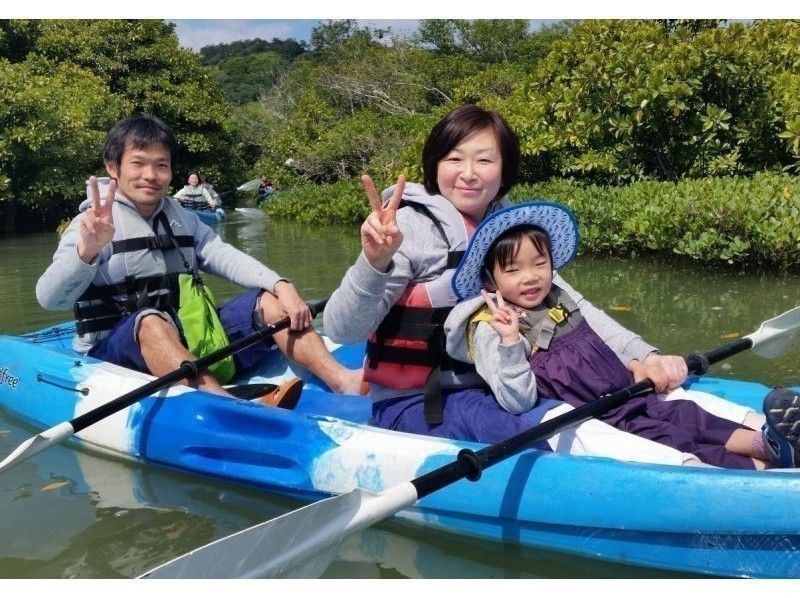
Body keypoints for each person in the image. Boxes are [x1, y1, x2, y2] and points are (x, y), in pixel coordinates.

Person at [323, 104, 726, 464]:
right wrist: (373, 262)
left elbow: (570, 304)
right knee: (568, 424)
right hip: (425, 401)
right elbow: (343, 330)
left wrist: (641, 354)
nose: (468, 173)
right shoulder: (406, 228)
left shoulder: (508, 224)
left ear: (504, 169)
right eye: (454, 158)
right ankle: (699, 477)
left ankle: (753, 448)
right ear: (435, 164)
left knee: (646, 399)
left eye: (484, 160)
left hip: (519, 383)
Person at [36, 114, 364, 409]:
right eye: (138, 163)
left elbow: (224, 256)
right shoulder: (90, 224)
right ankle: (226, 406)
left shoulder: (182, 218)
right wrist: (87, 250)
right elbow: (50, 299)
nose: (150, 175)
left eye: (161, 165)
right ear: (113, 167)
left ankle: (343, 380)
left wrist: (281, 284)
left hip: (182, 339)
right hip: (114, 354)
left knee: (270, 301)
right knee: (149, 321)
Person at [444, 200, 796, 469]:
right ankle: (763, 470)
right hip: (599, 413)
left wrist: (638, 360)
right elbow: (517, 401)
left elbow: (598, 341)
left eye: (539, 263)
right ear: (490, 280)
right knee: (676, 440)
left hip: (628, 392)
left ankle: (772, 445)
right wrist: (508, 340)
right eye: (513, 269)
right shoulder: (494, 325)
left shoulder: (557, 297)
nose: (530, 277)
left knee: (690, 416)